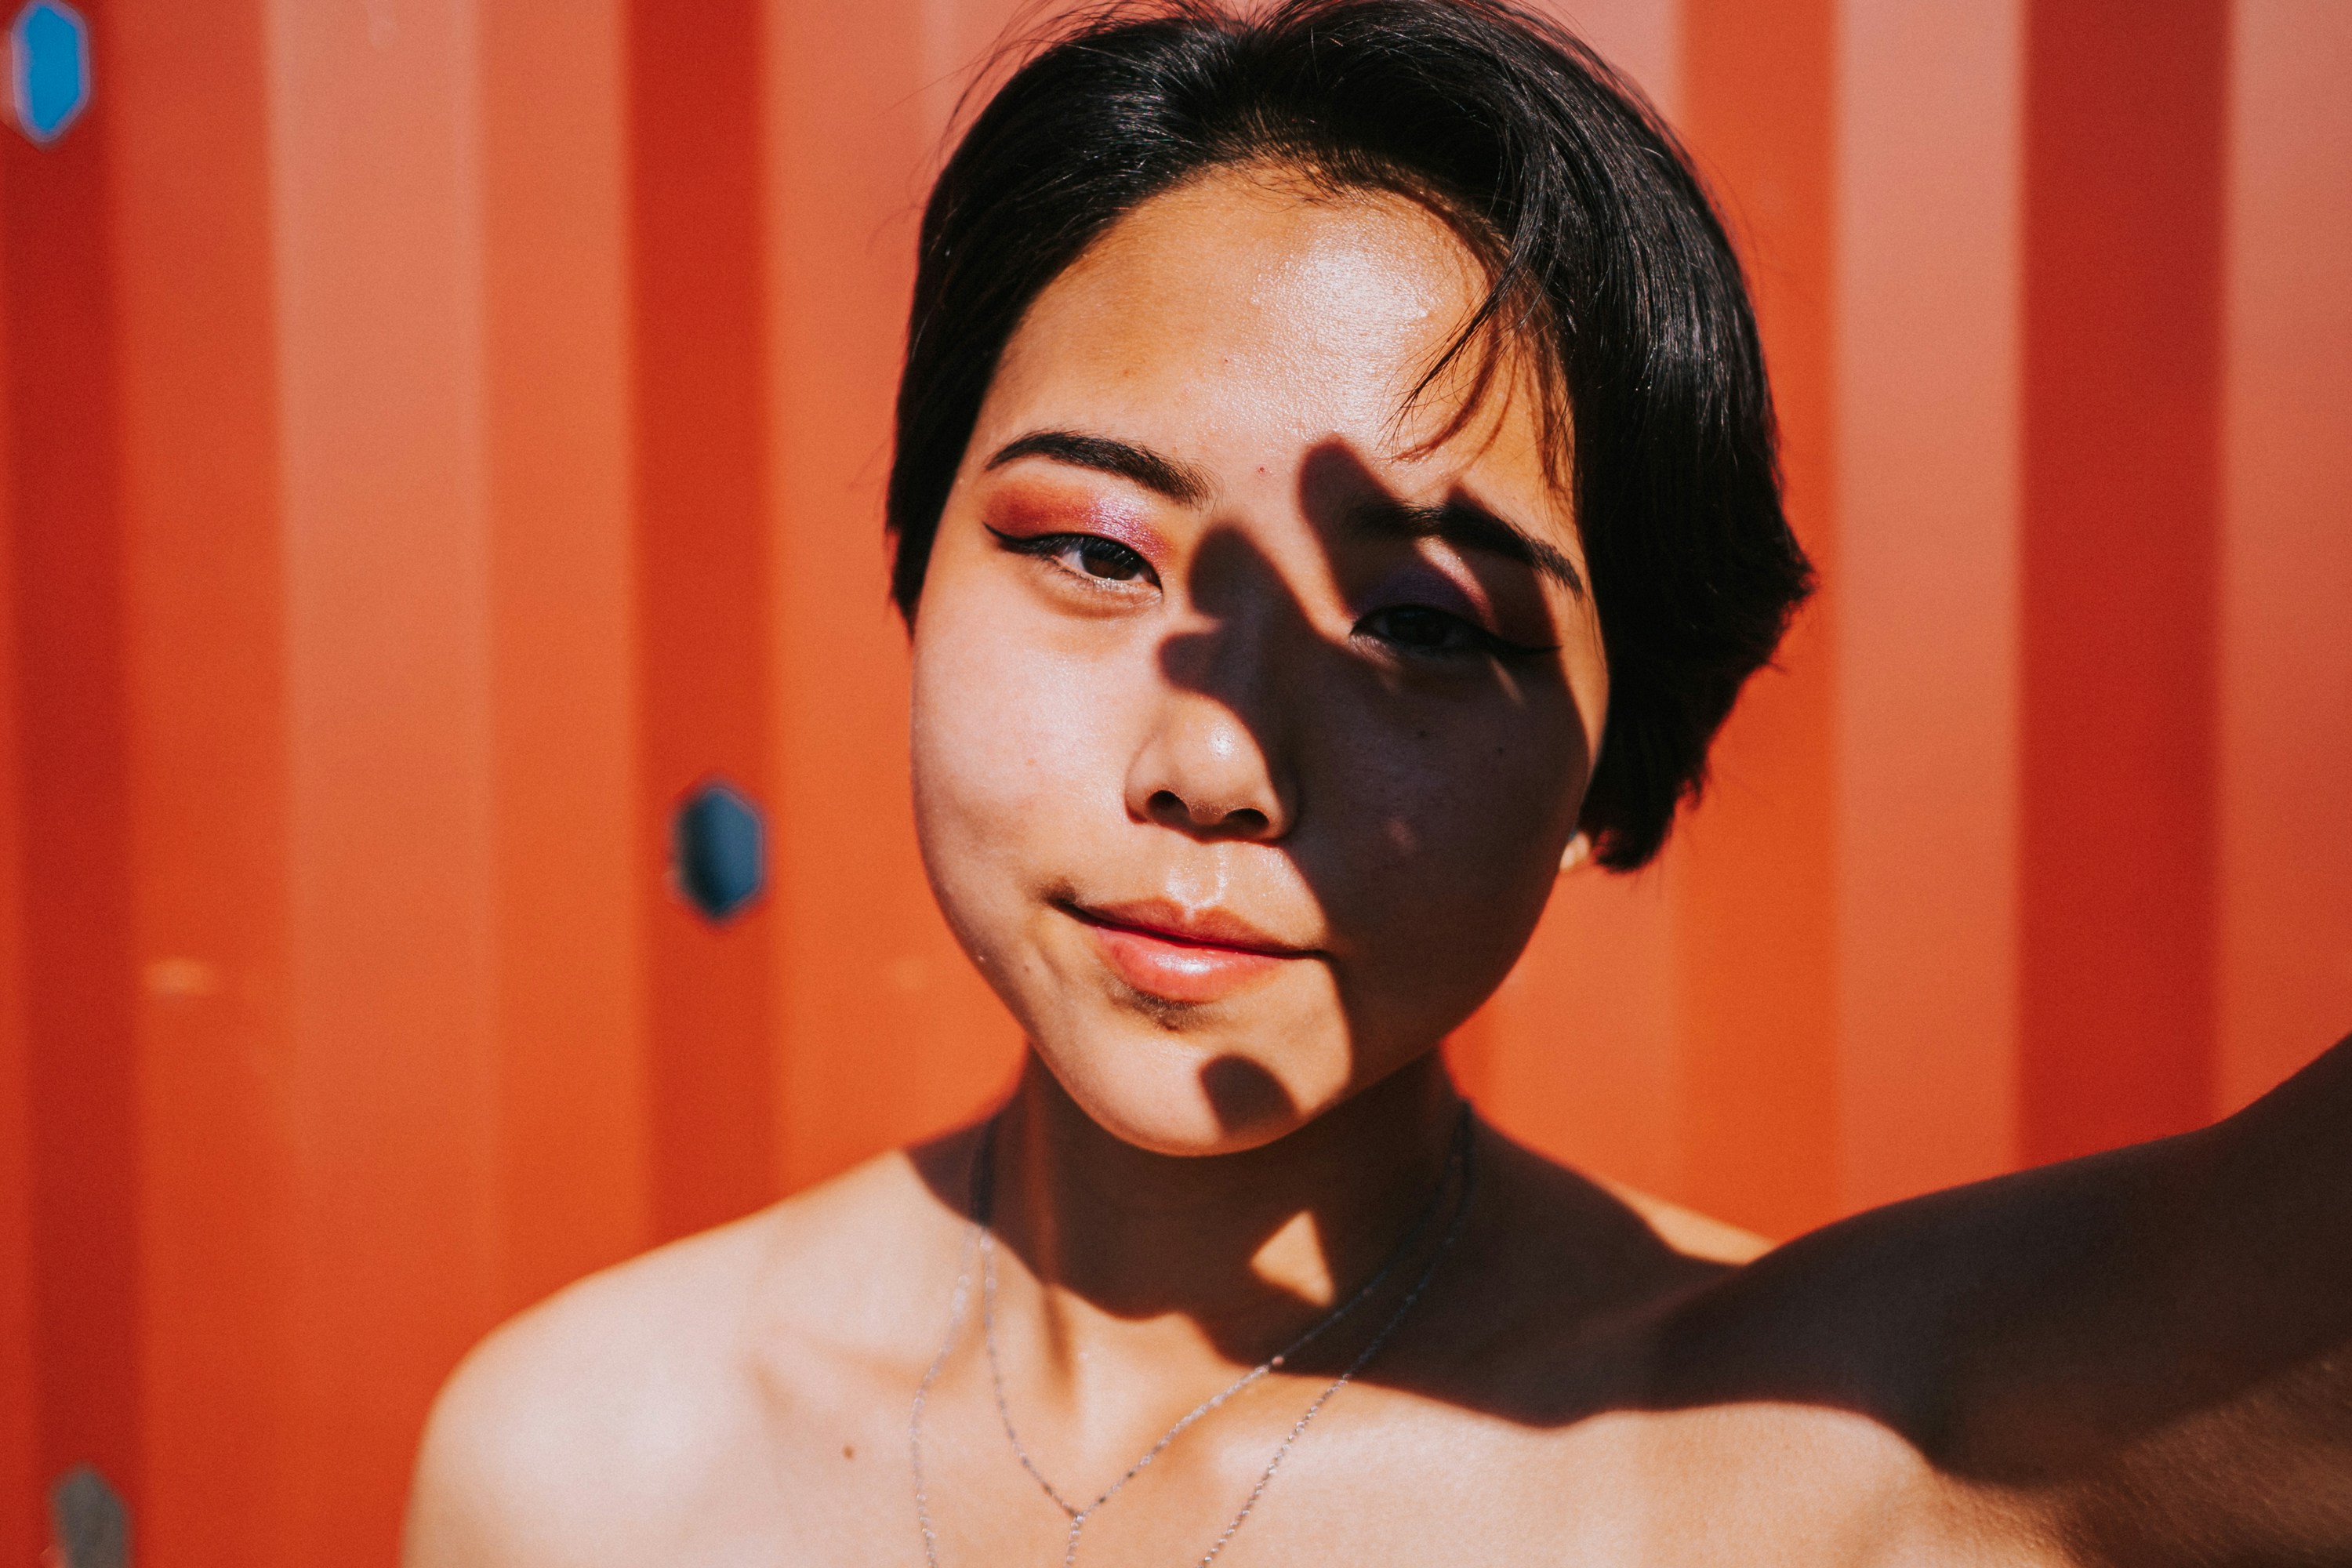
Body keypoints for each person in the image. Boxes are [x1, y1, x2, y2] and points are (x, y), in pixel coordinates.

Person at [400, 1, 2352, 1562]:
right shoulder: (580, 1461)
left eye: (1424, 626)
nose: (1216, 758)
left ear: (1619, 751)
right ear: (917, 561)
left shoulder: (1843, 1453)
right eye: (1092, 549)